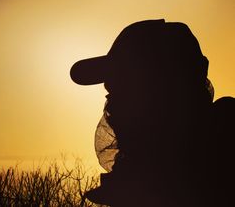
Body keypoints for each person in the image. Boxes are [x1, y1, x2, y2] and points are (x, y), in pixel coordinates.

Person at [70, 19, 235, 207]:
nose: (112, 107)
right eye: (112, 91)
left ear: (169, 91)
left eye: (128, 89)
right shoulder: (140, 172)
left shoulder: (217, 167)